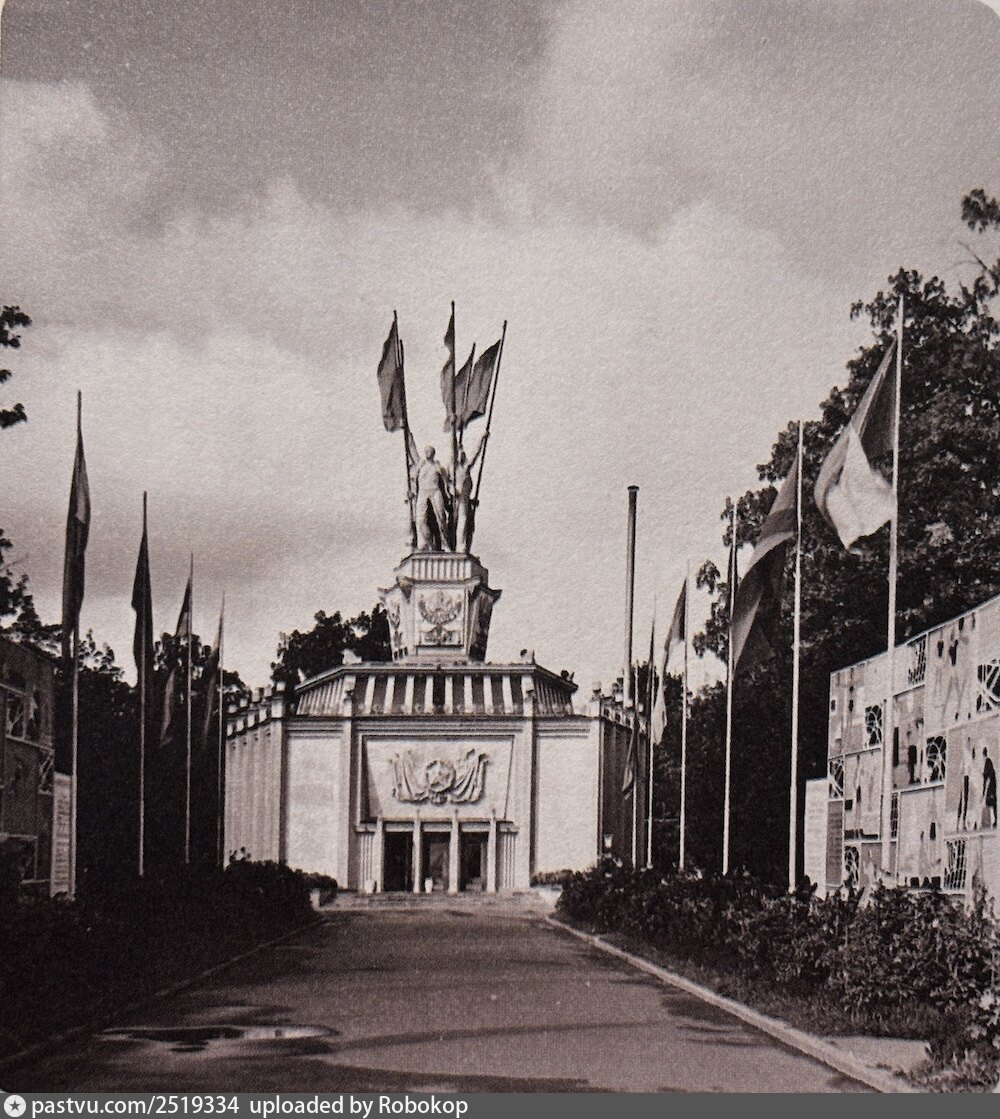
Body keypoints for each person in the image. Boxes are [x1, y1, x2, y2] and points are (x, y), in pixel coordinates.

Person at [453, 438, 485, 554]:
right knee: (454, 522)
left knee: (463, 520)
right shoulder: (453, 470)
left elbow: (475, 453)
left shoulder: (466, 468)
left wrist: (481, 439)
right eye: (459, 455)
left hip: (464, 500)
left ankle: (461, 546)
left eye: (463, 455)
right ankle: (453, 545)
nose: (461, 457)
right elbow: (447, 484)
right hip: (455, 500)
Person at [415, 445, 449, 551]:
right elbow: (413, 480)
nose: (426, 452)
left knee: (441, 517)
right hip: (423, 492)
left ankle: (445, 543)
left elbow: (447, 481)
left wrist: (449, 492)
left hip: (435, 491)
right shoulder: (420, 466)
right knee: (420, 519)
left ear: (433, 453)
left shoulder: (438, 466)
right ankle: (425, 542)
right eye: (425, 451)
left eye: (429, 451)